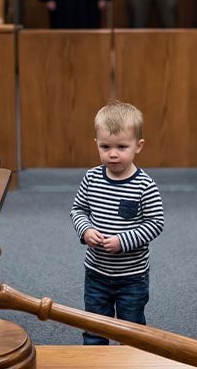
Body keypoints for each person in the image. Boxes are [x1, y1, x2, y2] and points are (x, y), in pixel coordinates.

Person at [70, 101, 165, 345]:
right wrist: (86, 230)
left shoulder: (145, 185)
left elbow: (155, 223)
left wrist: (123, 241)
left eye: (122, 147)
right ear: (97, 145)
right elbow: (78, 209)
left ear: (138, 146)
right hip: (96, 273)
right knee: (94, 330)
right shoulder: (91, 178)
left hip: (132, 277)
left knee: (131, 333)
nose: (113, 154)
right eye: (105, 146)